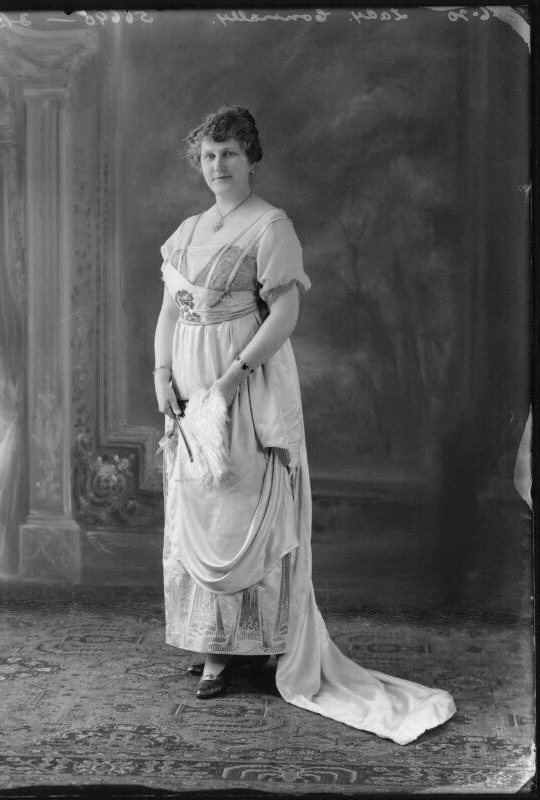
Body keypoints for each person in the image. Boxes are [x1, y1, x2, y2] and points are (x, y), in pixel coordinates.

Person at [153, 106, 456, 745]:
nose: (217, 166)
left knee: (240, 506)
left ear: (251, 159)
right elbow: (170, 312)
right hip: (189, 389)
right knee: (201, 506)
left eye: (229, 154)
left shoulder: (272, 226)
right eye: (208, 156)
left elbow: (284, 316)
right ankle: (213, 642)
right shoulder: (187, 230)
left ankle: (240, 650)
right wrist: (161, 374)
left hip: (245, 387)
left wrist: (230, 380)